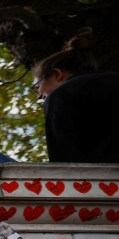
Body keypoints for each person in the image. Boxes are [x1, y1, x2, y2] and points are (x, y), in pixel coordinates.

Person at [33, 28, 118, 164]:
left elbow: (66, 164)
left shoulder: (61, 96)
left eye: (37, 86)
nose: (38, 96)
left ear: (57, 74)